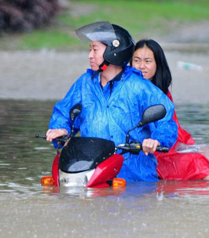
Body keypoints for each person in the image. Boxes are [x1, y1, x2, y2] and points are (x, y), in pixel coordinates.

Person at [46, 22, 177, 182]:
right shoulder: (84, 84)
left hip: (134, 177)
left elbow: (166, 121)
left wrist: (156, 140)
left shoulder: (140, 86)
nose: (90, 55)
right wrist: (60, 130)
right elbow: (64, 113)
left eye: (95, 49)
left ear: (113, 52)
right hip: (90, 172)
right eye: (90, 50)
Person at [132, 39, 209, 182]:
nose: (141, 66)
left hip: (164, 144)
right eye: (137, 60)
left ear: (157, 65)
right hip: (148, 153)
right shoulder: (129, 90)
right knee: (197, 161)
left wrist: (160, 140)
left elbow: (168, 126)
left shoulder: (162, 93)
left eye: (147, 61)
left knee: (207, 150)